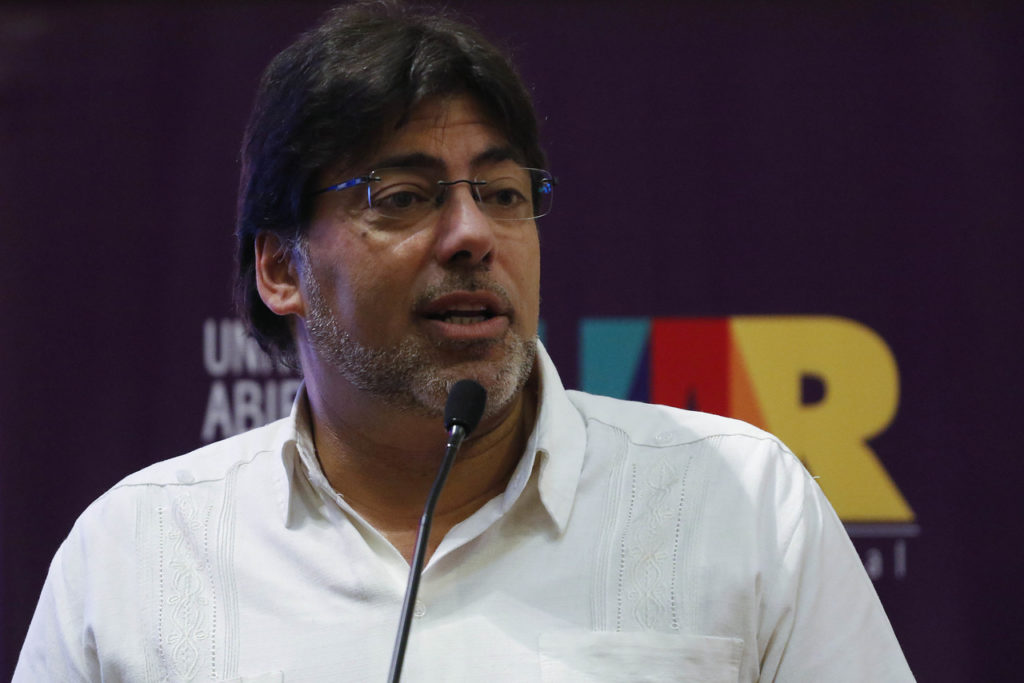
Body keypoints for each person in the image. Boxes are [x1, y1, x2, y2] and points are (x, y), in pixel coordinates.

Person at [15, 2, 915, 681]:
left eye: (503, 194)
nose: (472, 234)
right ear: (281, 268)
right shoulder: (136, 555)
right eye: (404, 197)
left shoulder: (740, 504)